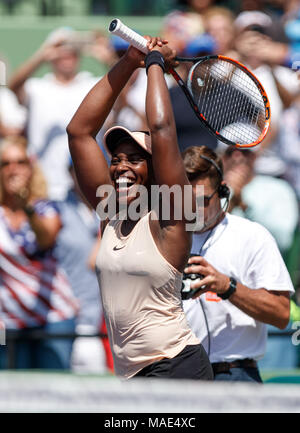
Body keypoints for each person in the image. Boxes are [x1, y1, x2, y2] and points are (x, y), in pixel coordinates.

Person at [67, 36, 213, 381]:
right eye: (116, 160)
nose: (121, 167)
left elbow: (162, 129)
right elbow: (78, 132)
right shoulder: (110, 213)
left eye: (135, 159)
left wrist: (154, 67)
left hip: (177, 367)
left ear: (155, 173)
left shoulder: (172, 214)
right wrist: (130, 61)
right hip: (132, 378)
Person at [181, 145, 294, 382]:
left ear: (222, 192)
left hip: (234, 374)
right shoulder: (168, 237)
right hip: (180, 376)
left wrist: (227, 287)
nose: (193, 209)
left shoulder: (252, 236)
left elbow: (282, 314)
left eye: (201, 200)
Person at [0, 136, 78, 369]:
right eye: (6, 163)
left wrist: (25, 205)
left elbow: (45, 238)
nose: (13, 169)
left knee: (53, 396)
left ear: (31, 167)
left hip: (54, 318)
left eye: (20, 162)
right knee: (12, 396)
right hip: (10, 321)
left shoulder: (46, 207)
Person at [8, 27, 101, 201]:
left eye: (71, 47)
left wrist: (107, 58)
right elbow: (13, 85)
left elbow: (123, 93)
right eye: (60, 47)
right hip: (46, 190)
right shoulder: (37, 88)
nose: (66, 53)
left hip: (89, 193)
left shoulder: (92, 84)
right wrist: (42, 56)